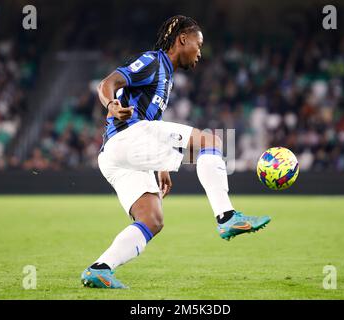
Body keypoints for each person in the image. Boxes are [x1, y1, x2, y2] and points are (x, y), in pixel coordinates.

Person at [81, 15, 270, 289]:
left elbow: (151, 123)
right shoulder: (154, 61)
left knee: (152, 220)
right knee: (210, 142)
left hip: (115, 156)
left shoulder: (166, 76)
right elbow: (106, 83)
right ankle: (227, 217)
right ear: (182, 39)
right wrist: (111, 104)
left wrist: (161, 164)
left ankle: (100, 269)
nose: (200, 52)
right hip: (126, 137)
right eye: (199, 44)